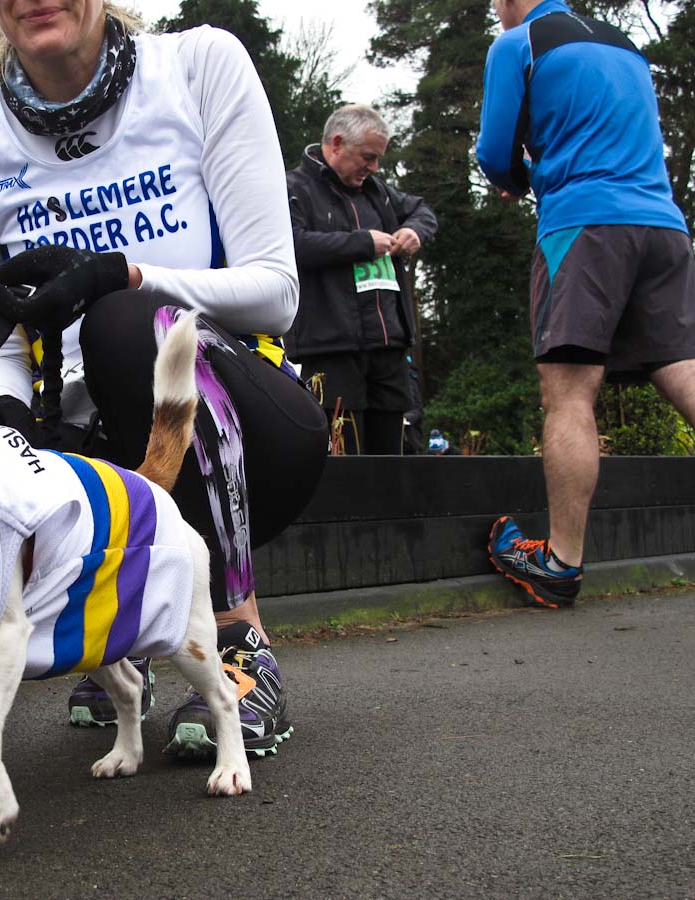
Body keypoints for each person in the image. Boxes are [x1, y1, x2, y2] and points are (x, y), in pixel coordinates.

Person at [0, 0, 329, 758]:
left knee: (122, 324)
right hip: (93, 448)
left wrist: (123, 274)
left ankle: (242, 644)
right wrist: (3, 432)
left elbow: (277, 291)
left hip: (248, 418)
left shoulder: (200, 66)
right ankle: (126, 631)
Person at [477, 0, 695, 609]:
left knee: (569, 392)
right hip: (663, 225)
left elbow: (495, 154)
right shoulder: (626, 44)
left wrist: (521, 179)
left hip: (585, 226)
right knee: (684, 372)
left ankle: (561, 564)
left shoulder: (519, 42)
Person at [285, 104, 438, 455]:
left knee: (394, 458)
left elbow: (421, 209)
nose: (374, 168)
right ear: (337, 143)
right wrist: (363, 243)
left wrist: (414, 230)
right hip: (331, 349)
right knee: (345, 454)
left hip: (389, 348)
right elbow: (292, 244)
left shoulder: (378, 191)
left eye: (378, 159)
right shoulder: (294, 188)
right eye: (368, 157)